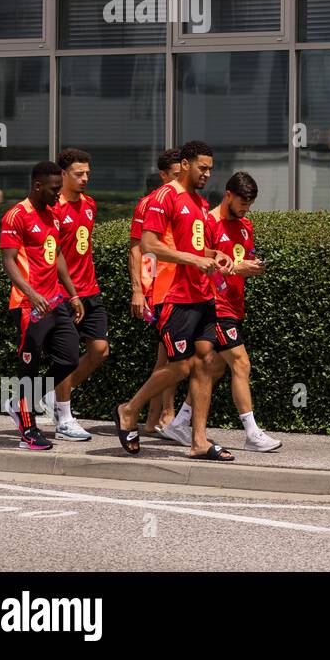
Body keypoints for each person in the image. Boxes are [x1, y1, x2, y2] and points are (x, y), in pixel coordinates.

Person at [114, 141, 233, 460]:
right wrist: (193, 261)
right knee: (179, 366)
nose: (207, 173)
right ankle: (129, 410)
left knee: (207, 362)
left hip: (202, 294)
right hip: (174, 295)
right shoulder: (164, 196)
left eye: (210, 168)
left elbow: (195, 248)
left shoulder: (198, 201)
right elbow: (150, 245)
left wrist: (215, 255)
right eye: (202, 167)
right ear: (184, 164)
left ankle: (199, 440)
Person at [159, 171, 282, 452]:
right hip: (215, 305)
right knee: (241, 363)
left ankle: (179, 422)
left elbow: (240, 261)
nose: (246, 209)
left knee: (213, 367)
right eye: (242, 203)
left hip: (235, 304)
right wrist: (237, 268)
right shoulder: (208, 223)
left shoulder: (245, 225)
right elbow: (203, 265)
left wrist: (251, 267)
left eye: (250, 204)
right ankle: (252, 432)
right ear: (228, 195)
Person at [0, 162, 85, 450]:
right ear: (37, 186)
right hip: (28, 305)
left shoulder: (53, 214)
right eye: (53, 189)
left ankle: (22, 403)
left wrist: (72, 294)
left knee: (70, 358)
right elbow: (8, 260)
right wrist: (32, 293)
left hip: (56, 301)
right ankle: (28, 430)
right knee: (28, 370)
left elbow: (57, 254)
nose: (58, 194)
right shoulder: (16, 215)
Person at [47, 148, 109, 441]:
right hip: (63, 294)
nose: (85, 178)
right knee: (68, 357)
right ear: (63, 174)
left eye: (87, 173)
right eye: (78, 174)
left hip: (91, 291)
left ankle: (53, 397)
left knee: (99, 350)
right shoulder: (53, 208)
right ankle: (64, 417)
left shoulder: (90, 205)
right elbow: (53, 255)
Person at [129, 150, 181, 436]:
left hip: (179, 289)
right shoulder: (149, 204)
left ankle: (153, 419)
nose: (179, 181)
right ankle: (161, 415)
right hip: (158, 290)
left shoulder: (185, 202)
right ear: (163, 175)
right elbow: (137, 249)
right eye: (175, 175)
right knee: (173, 357)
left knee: (168, 356)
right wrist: (138, 290)